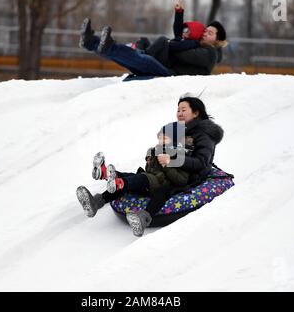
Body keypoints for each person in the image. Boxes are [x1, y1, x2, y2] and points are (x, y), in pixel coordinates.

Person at [76, 95, 224, 236]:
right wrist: (152, 155)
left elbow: (200, 163)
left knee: (145, 181)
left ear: (196, 112)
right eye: (178, 110)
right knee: (138, 178)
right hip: (165, 171)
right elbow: (166, 145)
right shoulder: (181, 130)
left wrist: (170, 161)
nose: (179, 113)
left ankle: (119, 189)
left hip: (189, 177)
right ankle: (98, 196)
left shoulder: (204, 135)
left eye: (183, 110)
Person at [79, 1, 227, 77]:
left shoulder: (210, 53)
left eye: (211, 33)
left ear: (217, 41)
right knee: (131, 55)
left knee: (144, 57)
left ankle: (100, 44)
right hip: (167, 67)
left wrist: (171, 44)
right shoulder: (198, 45)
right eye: (206, 30)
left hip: (170, 74)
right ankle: (91, 42)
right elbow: (177, 40)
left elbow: (181, 54)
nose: (206, 33)